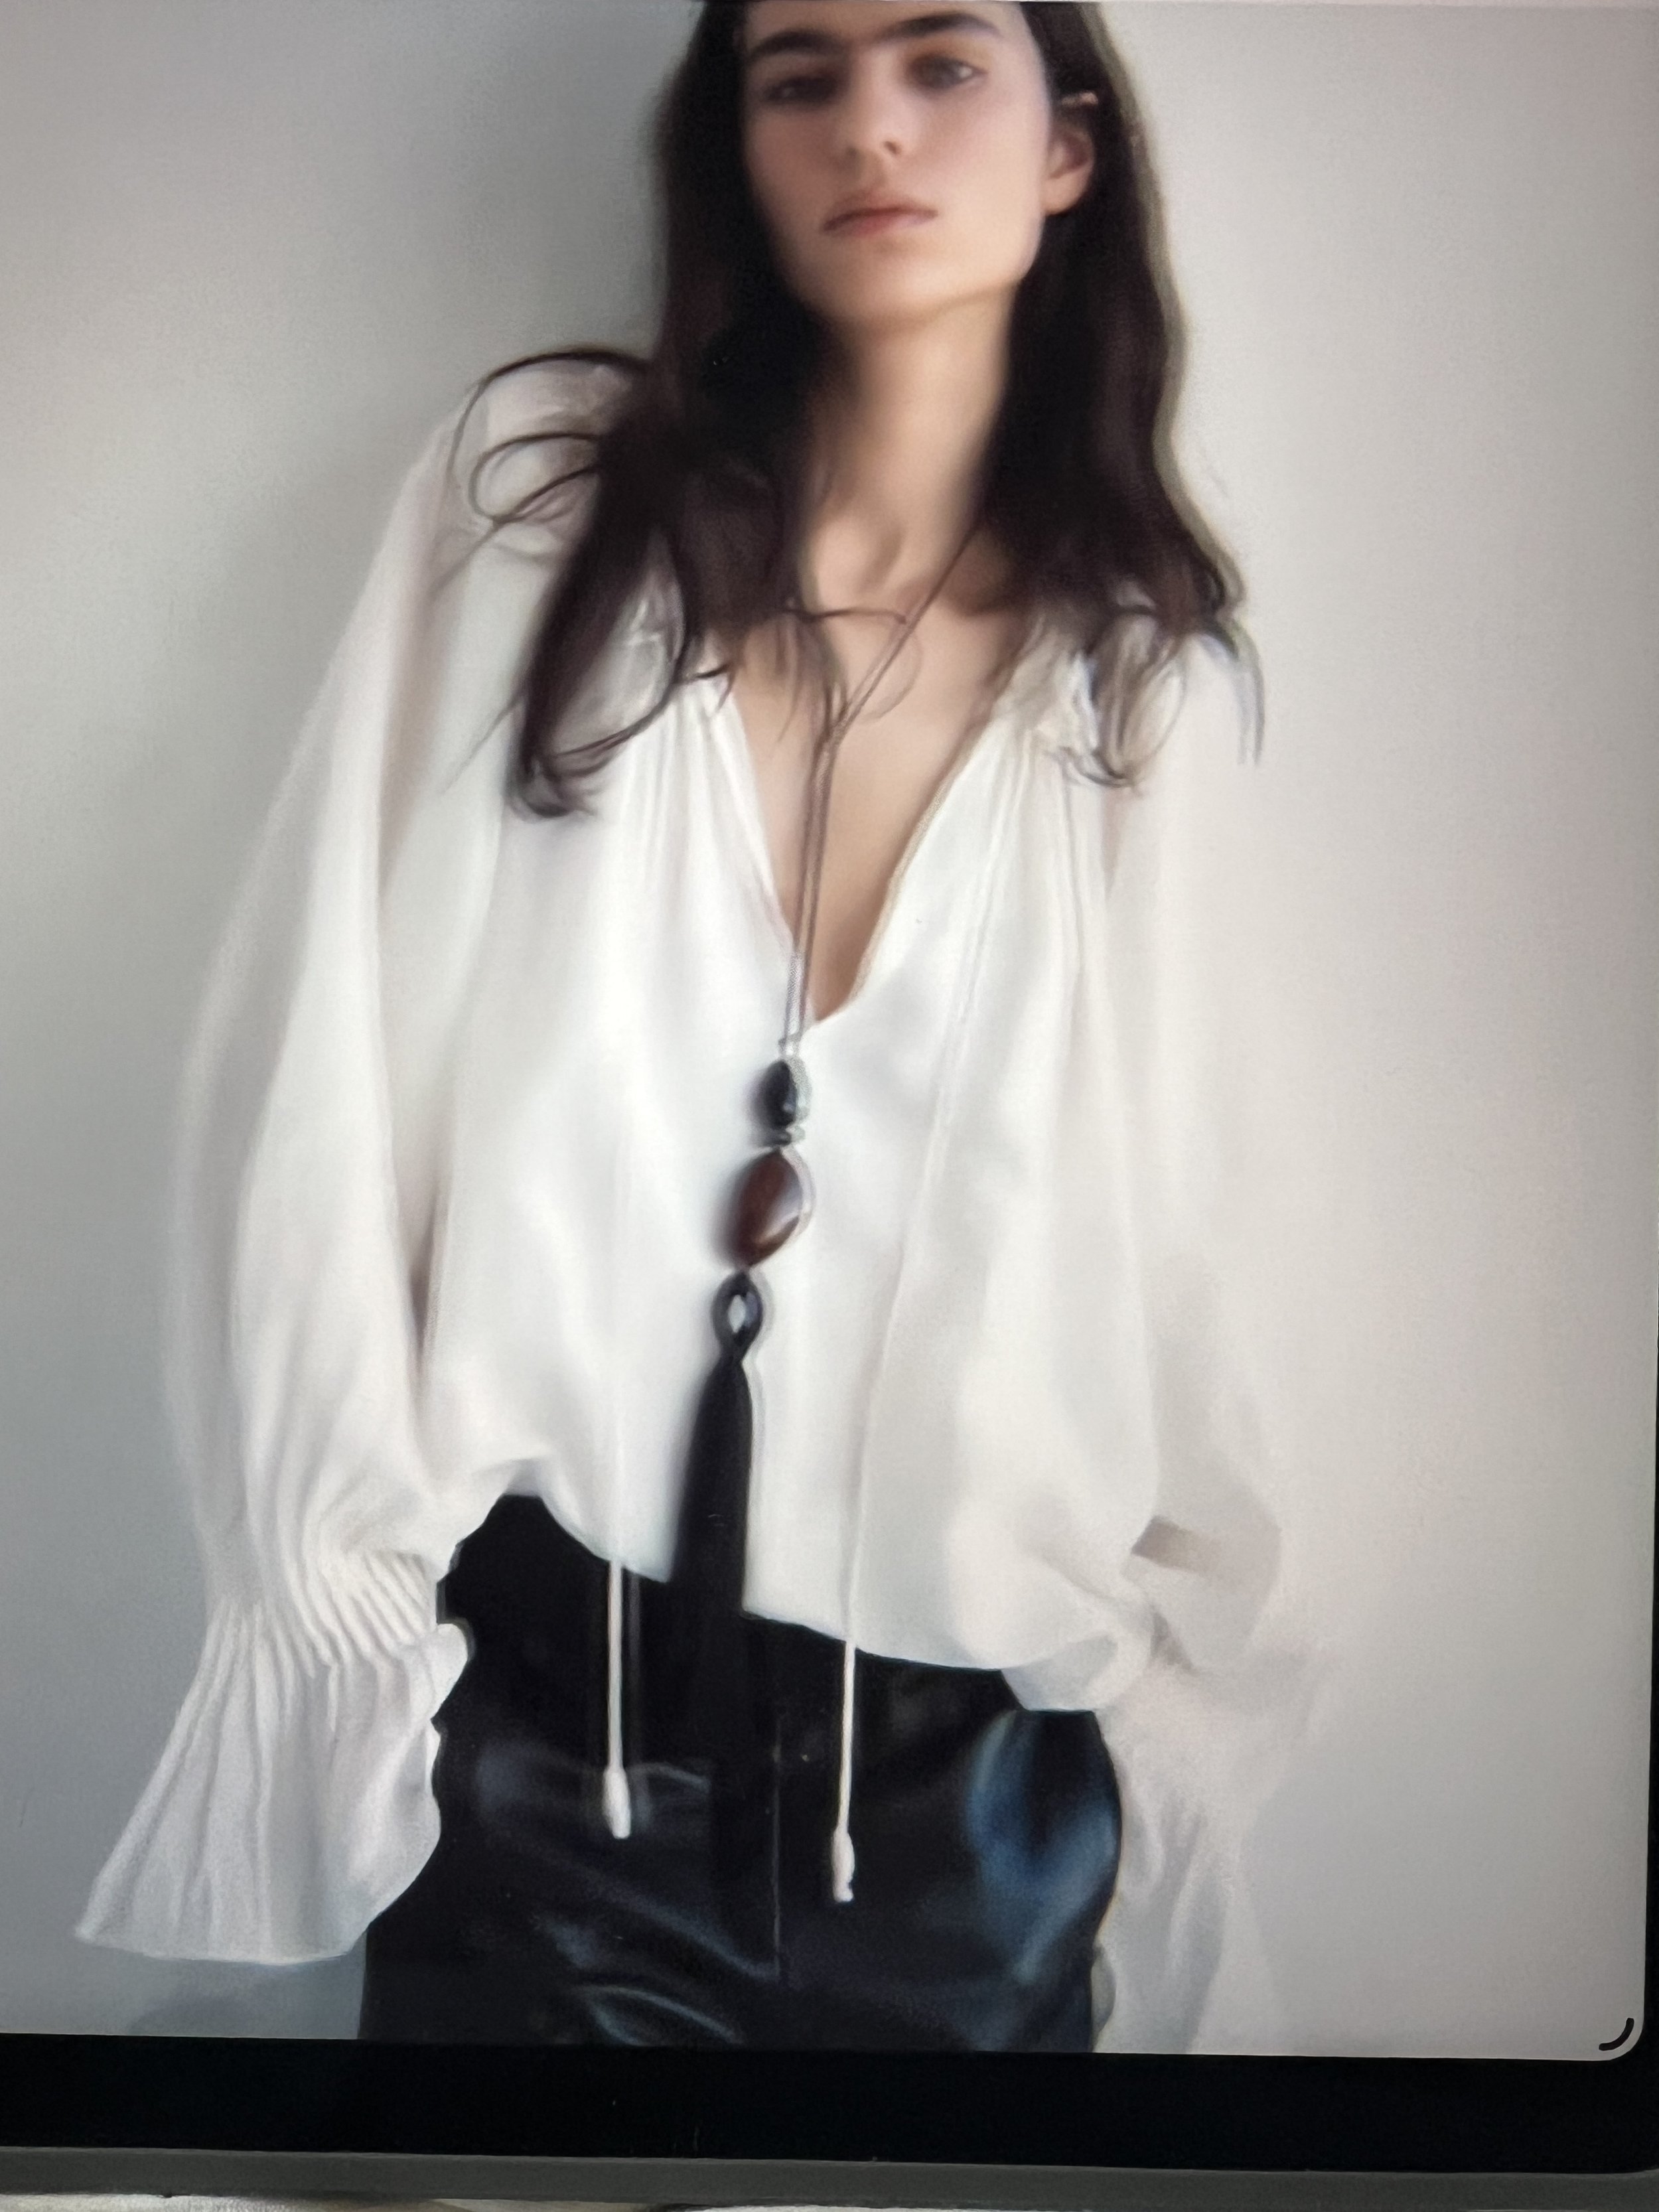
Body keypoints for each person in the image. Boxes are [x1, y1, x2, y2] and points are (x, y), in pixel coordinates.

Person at [77, 0, 1305, 2052]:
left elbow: (1192, 1227)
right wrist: (334, 1599)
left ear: (1067, 149)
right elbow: (322, 1064)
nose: (869, 129)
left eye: (939, 64)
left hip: (969, 1797)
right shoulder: (542, 514)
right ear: (732, 150)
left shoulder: (1134, 678)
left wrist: (1177, 1716)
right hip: (551, 1735)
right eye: (797, 77)